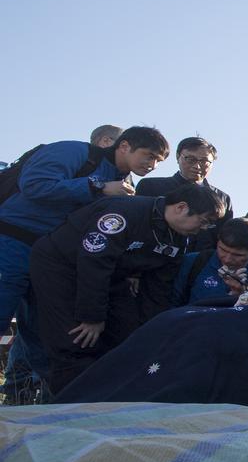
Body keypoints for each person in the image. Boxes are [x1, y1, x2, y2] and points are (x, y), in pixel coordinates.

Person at [30, 183, 225, 393]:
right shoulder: (123, 214)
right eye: (203, 222)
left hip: (111, 275)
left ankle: (112, 398)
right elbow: (94, 261)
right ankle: (70, 403)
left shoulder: (178, 238)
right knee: (76, 338)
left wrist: (153, 330)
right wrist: (92, 317)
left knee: (127, 333)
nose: (202, 230)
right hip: (63, 266)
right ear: (181, 207)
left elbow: (159, 288)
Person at [0, 126, 169, 366]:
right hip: (12, 239)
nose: (153, 165)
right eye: (149, 155)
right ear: (124, 146)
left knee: (41, 328)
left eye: (159, 161)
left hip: (53, 257)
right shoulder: (73, 152)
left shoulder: (123, 182)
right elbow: (35, 185)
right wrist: (97, 187)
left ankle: (30, 395)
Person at [136, 136, 232, 252]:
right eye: (190, 159)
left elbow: (224, 238)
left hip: (200, 263)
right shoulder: (152, 186)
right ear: (178, 157)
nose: (197, 166)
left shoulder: (222, 199)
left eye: (204, 161)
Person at [173, 217, 248, 305]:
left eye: (237, 255)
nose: (227, 259)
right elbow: (172, 302)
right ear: (218, 241)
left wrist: (239, 294)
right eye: (223, 250)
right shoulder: (194, 262)